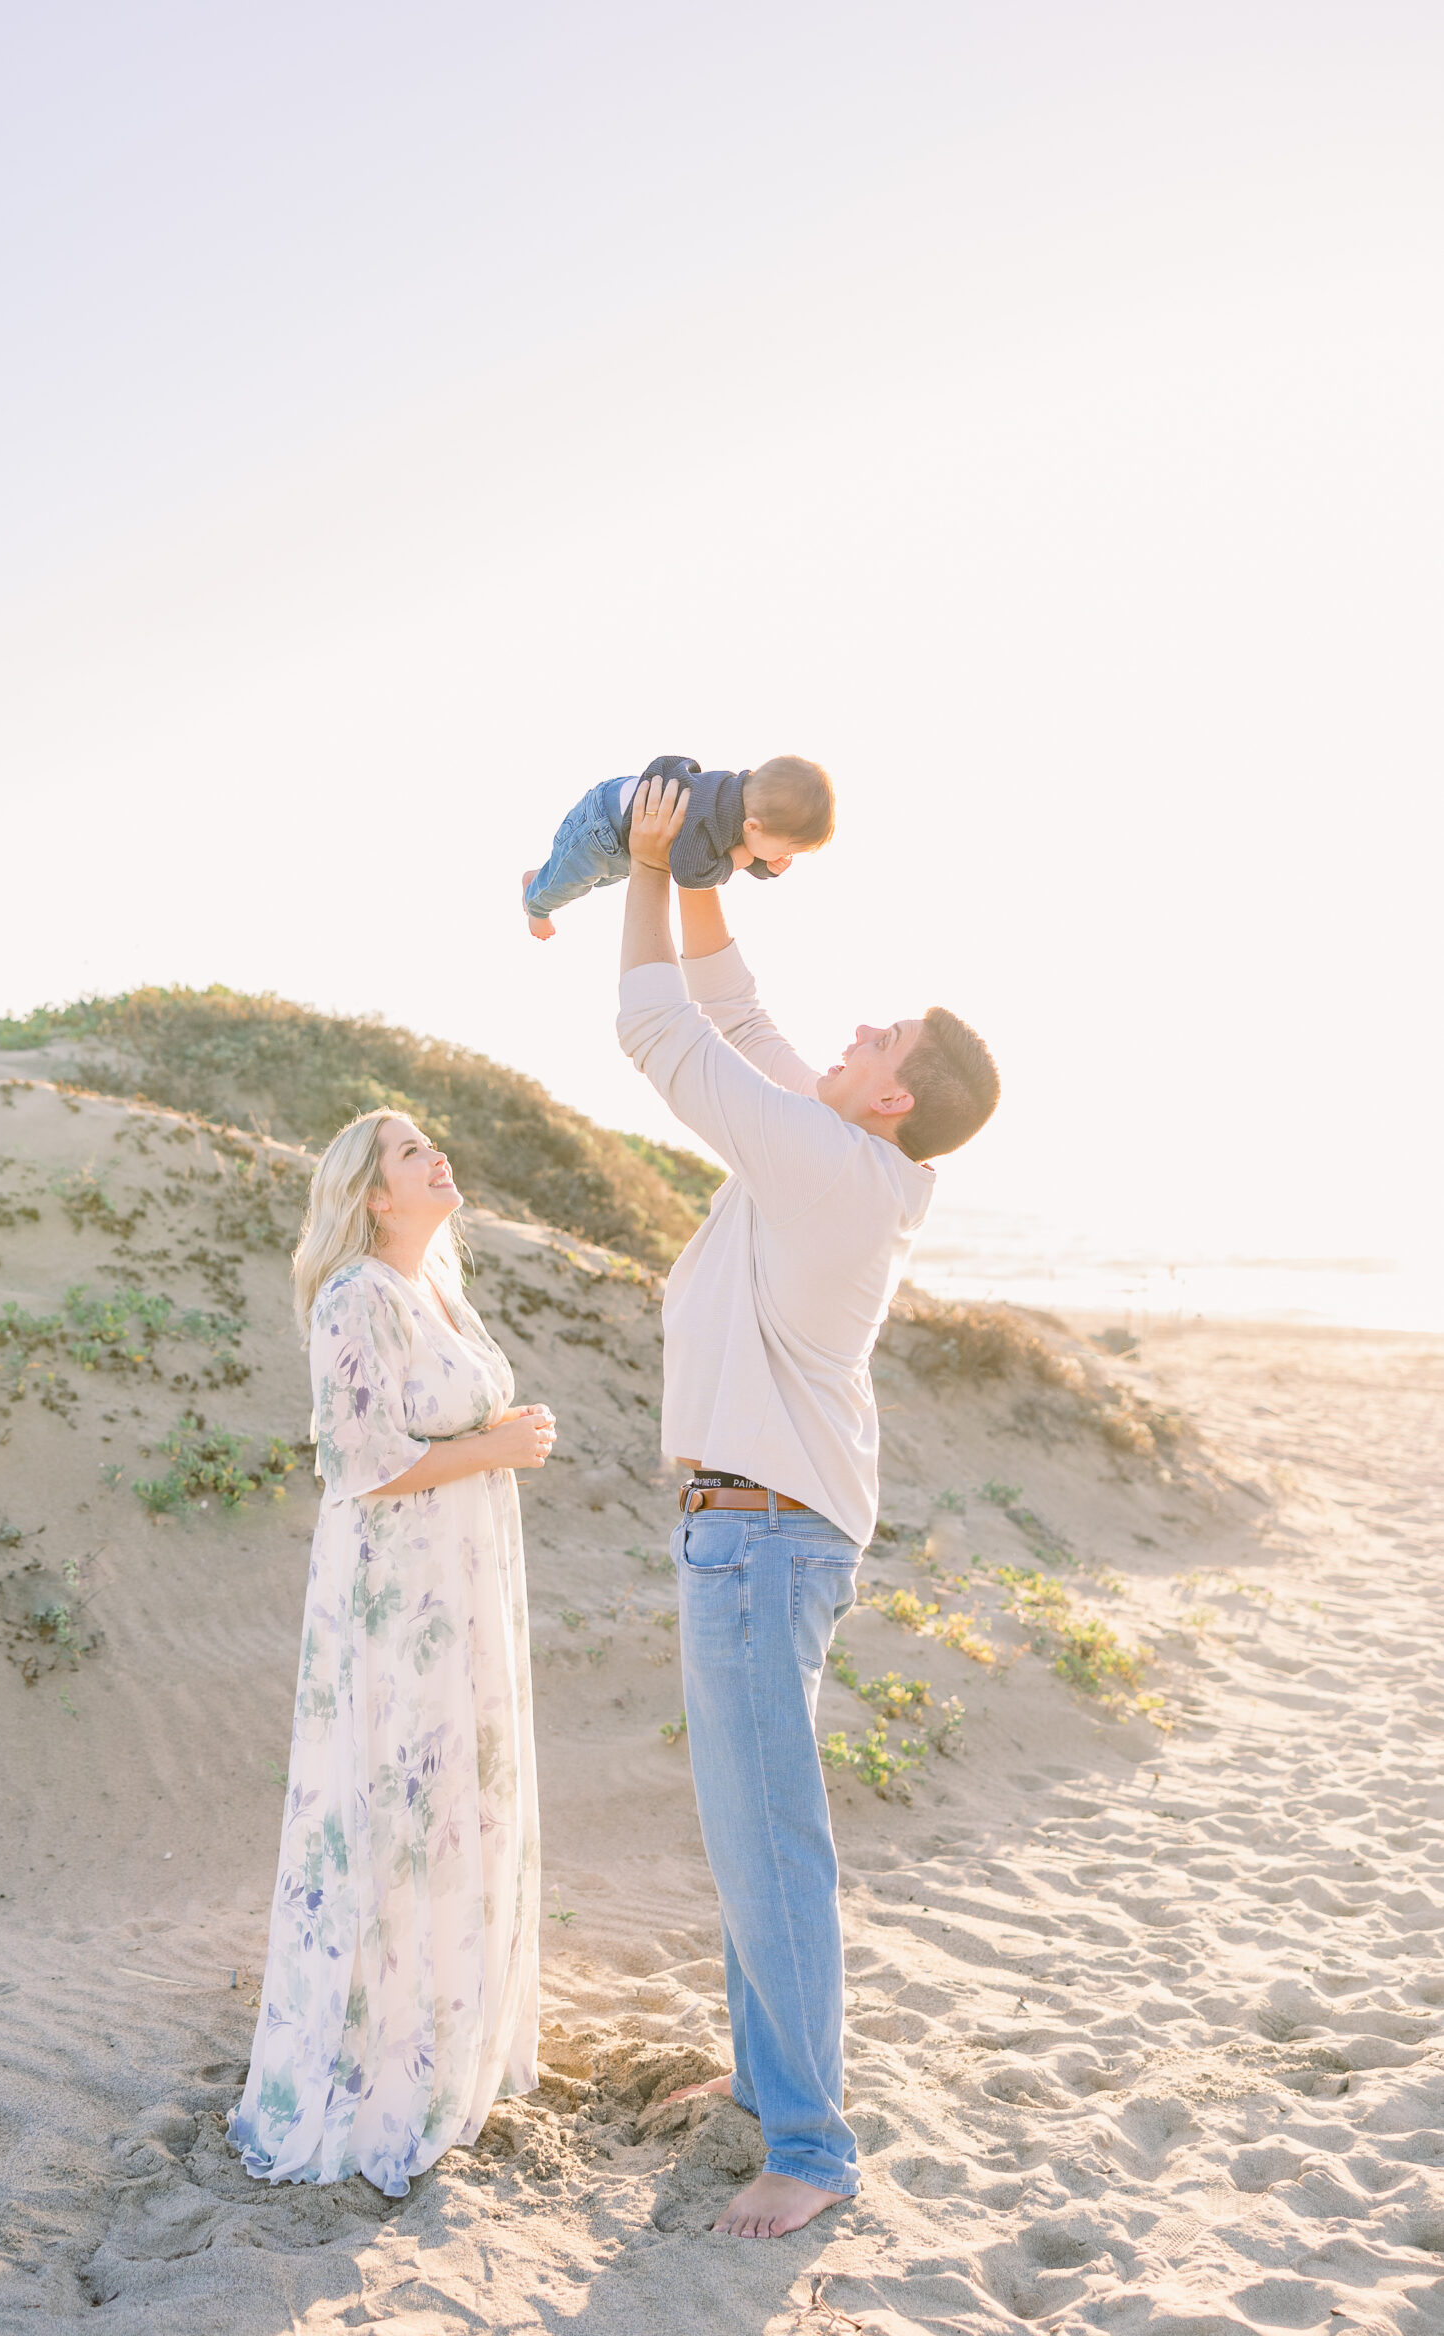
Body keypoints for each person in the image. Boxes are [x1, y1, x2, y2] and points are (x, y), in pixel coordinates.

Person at [614, 776, 1000, 2240]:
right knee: (744, 1825)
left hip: (762, 1536)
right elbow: (734, 1006)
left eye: (876, 1038)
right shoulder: (835, 1148)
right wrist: (712, 861)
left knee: (768, 1835)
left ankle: (810, 2150)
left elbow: (658, 1027)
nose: (849, 1035)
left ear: (891, 1097)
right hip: (760, 1530)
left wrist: (646, 866)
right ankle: (763, 2097)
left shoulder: (831, 1166)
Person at [227, 1108, 558, 2199]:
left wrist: (495, 1446)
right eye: (411, 1152)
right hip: (395, 1589)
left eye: (432, 1144)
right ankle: (371, 2063)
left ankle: (442, 2034)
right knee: (396, 1804)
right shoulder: (354, 1296)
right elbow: (361, 1461)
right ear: (372, 1192)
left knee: (458, 1797)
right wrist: (495, 1446)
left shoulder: (434, 1289)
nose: (436, 1156)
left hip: (458, 1585)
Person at [522, 751, 834, 939]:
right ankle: (536, 904)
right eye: (787, 849)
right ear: (753, 827)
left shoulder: (736, 797)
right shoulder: (710, 820)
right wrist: (738, 862)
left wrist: (765, 866)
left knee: (596, 879)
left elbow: (741, 846)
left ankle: (542, 876)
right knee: (574, 883)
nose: (785, 856)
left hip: (617, 808)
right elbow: (690, 873)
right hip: (603, 829)